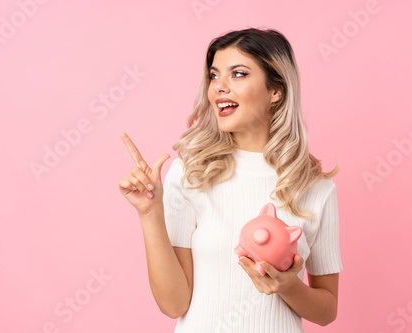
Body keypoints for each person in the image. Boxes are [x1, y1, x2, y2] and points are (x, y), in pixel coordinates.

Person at [118, 27, 343, 333]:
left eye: (238, 74)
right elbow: (174, 304)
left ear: (276, 90)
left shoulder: (316, 188)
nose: (219, 87)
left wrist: (287, 285)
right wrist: (149, 213)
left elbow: (327, 311)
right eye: (214, 75)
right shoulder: (191, 173)